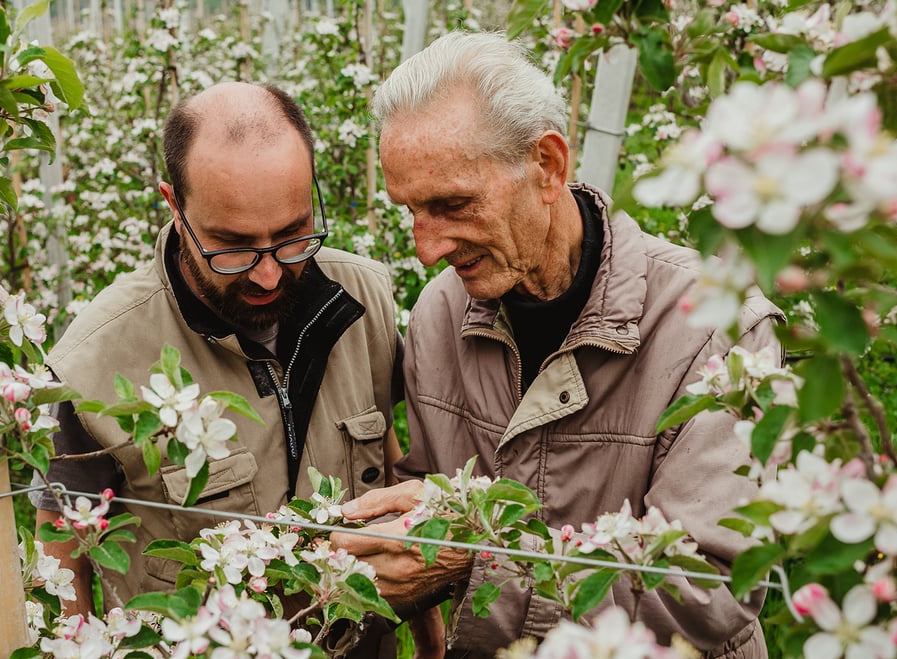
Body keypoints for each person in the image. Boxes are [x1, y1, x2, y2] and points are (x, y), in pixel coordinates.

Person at [331, 31, 782, 658]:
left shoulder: (712, 326)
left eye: (453, 204)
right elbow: (435, 489)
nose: (427, 247)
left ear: (547, 165)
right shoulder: (440, 311)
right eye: (411, 211)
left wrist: (481, 556)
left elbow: (712, 588)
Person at [30, 82, 403, 655]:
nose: (269, 275)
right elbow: (64, 537)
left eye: (292, 234)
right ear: (174, 207)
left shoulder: (365, 299)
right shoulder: (97, 359)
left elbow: (390, 462)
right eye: (232, 246)